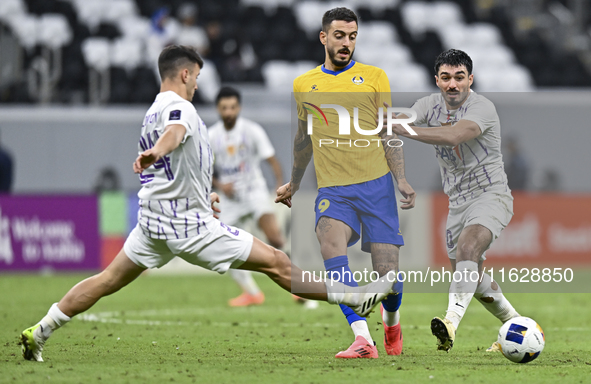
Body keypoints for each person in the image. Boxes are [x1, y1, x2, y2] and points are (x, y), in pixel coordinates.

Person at [19, 45, 395, 363]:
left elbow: (175, 162)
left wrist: (203, 192)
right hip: (187, 225)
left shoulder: (152, 110)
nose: (198, 84)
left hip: (152, 223)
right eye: (196, 77)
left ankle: (41, 330)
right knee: (277, 263)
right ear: (184, 73)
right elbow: (175, 134)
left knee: (105, 281)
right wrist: (156, 152)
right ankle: (354, 299)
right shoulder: (178, 108)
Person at [275, 8, 416, 359]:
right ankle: (362, 338)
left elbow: (387, 130)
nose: (346, 43)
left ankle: (392, 323)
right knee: (330, 246)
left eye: (352, 37)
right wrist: (293, 182)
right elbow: (303, 139)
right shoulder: (304, 84)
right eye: (339, 36)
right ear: (324, 37)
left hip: (376, 187)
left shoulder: (374, 77)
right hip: (333, 191)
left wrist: (400, 178)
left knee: (389, 280)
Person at [383, 49, 521, 352]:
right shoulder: (428, 105)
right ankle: (517, 325)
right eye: (446, 78)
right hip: (457, 203)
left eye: (460, 77)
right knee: (471, 274)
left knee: (468, 248)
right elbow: (398, 120)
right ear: (437, 80)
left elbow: (453, 136)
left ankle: (450, 324)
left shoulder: (482, 108)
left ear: (470, 79)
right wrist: (382, 122)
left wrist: (402, 128)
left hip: (491, 194)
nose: (453, 84)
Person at [209, 86, 285, 307]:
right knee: (221, 247)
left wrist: (279, 186)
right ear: (218, 109)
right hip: (229, 199)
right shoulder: (211, 136)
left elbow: (271, 160)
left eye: (233, 107)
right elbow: (203, 168)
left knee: (275, 237)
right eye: (224, 108)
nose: (229, 112)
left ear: (239, 107)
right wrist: (221, 184)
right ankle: (252, 292)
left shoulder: (252, 130)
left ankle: (298, 285)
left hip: (254, 192)